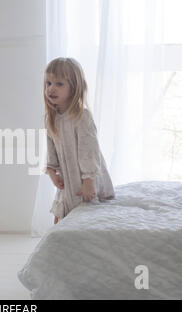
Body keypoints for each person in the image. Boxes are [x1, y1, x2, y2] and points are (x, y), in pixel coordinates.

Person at [44, 57, 115, 224]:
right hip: (67, 181)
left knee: (85, 217)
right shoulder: (51, 119)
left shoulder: (81, 117)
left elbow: (89, 151)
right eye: (48, 83)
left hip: (85, 179)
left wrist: (89, 180)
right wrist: (52, 172)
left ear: (74, 87)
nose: (51, 89)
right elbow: (51, 150)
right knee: (59, 218)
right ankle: (56, 248)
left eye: (59, 84)